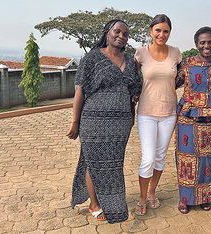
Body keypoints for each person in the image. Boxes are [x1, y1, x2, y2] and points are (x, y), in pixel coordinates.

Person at [66, 19, 142, 223]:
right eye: (117, 31)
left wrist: (132, 115)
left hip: (121, 123)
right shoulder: (92, 58)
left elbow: (134, 91)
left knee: (114, 164)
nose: (121, 36)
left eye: (125, 34)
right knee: (94, 162)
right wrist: (75, 121)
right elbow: (79, 90)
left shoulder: (129, 59)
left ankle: (110, 199)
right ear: (107, 32)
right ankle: (94, 203)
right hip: (93, 120)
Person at [175, 26, 211, 214]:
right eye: (202, 42)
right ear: (196, 44)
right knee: (187, 159)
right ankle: (186, 199)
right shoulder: (187, 64)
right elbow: (170, 82)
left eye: (210, 42)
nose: (206, 46)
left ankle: (205, 198)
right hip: (188, 120)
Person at [134, 14, 182, 216]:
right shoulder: (140, 53)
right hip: (146, 112)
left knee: (161, 156)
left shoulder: (176, 53)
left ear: (169, 32)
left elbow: (180, 79)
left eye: (165, 31)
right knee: (149, 157)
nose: (161, 34)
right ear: (150, 31)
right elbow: (134, 79)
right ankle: (142, 197)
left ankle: (152, 191)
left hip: (169, 112)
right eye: (158, 30)